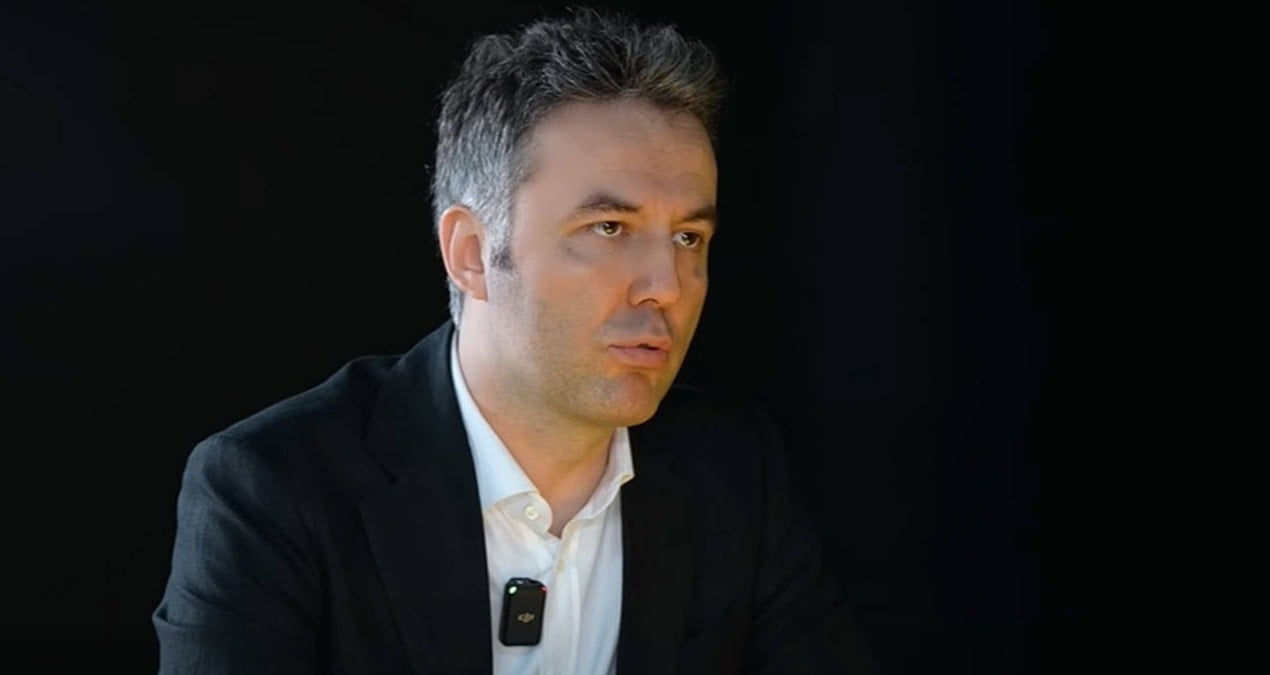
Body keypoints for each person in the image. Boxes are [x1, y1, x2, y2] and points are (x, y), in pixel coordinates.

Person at [153, 7, 877, 674]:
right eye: (609, 228)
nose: (667, 283)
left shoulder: (734, 473)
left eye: (689, 236)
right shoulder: (274, 489)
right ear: (471, 252)